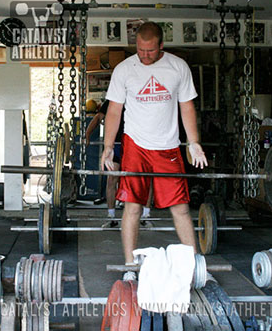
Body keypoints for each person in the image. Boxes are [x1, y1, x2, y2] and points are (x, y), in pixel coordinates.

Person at [101, 22, 207, 280]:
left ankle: (194, 267)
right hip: (135, 146)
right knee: (133, 206)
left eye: (150, 51)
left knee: (180, 208)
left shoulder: (177, 67)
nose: (144, 55)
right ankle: (130, 266)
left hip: (168, 147)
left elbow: (187, 107)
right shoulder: (124, 70)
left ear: (161, 46)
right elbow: (114, 110)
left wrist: (193, 142)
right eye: (140, 50)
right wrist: (107, 148)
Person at [86, 101, 152, 226]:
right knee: (112, 179)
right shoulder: (111, 101)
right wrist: (87, 134)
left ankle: (146, 216)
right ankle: (111, 217)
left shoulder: (139, 98)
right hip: (116, 147)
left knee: (144, 178)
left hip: (136, 146)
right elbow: (98, 118)